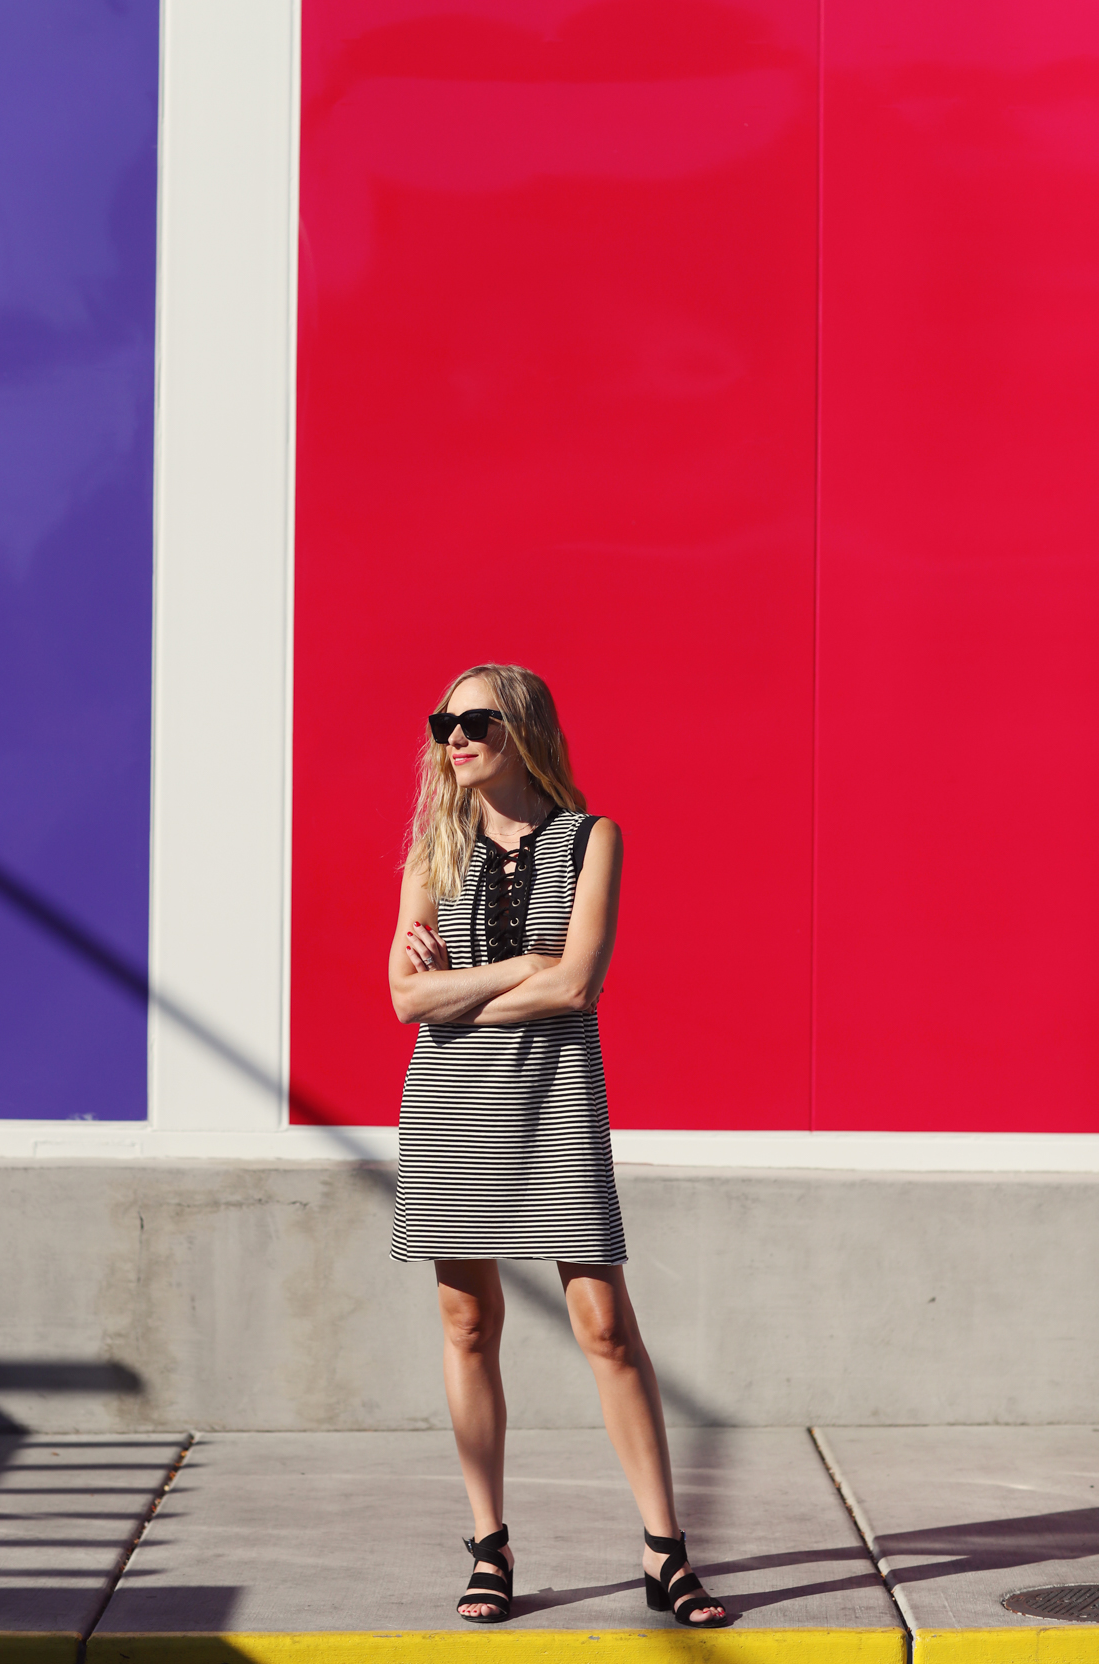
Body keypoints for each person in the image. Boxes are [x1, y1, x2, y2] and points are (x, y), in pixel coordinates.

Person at [388, 663, 726, 1629]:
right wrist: (518, 965)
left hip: (555, 1101)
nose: (454, 737)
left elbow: (577, 986)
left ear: (522, 728)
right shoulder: (431, 855)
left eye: (475, 720)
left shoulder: (592, 838)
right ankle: (489, 1548)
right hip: (450, 1109)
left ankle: (665, 1555)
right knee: (467, 1326)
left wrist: (473, 985)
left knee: (606, 1329)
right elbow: (406, 999)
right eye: (443, 722)